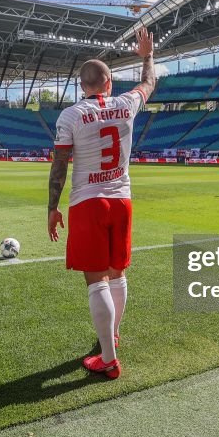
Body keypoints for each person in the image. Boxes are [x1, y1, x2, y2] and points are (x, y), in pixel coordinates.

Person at [47, 27, 156, 380]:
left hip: (88, 203)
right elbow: (149, 84)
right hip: (122, 200)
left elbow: (60, 165)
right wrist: (147, 56)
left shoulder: (70, 115)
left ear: (83, 86)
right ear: (109, 83)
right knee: (118, 274)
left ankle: (107, 358)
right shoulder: (126, 104)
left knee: (96, 282)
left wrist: (52, 207)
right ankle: (112, 336)